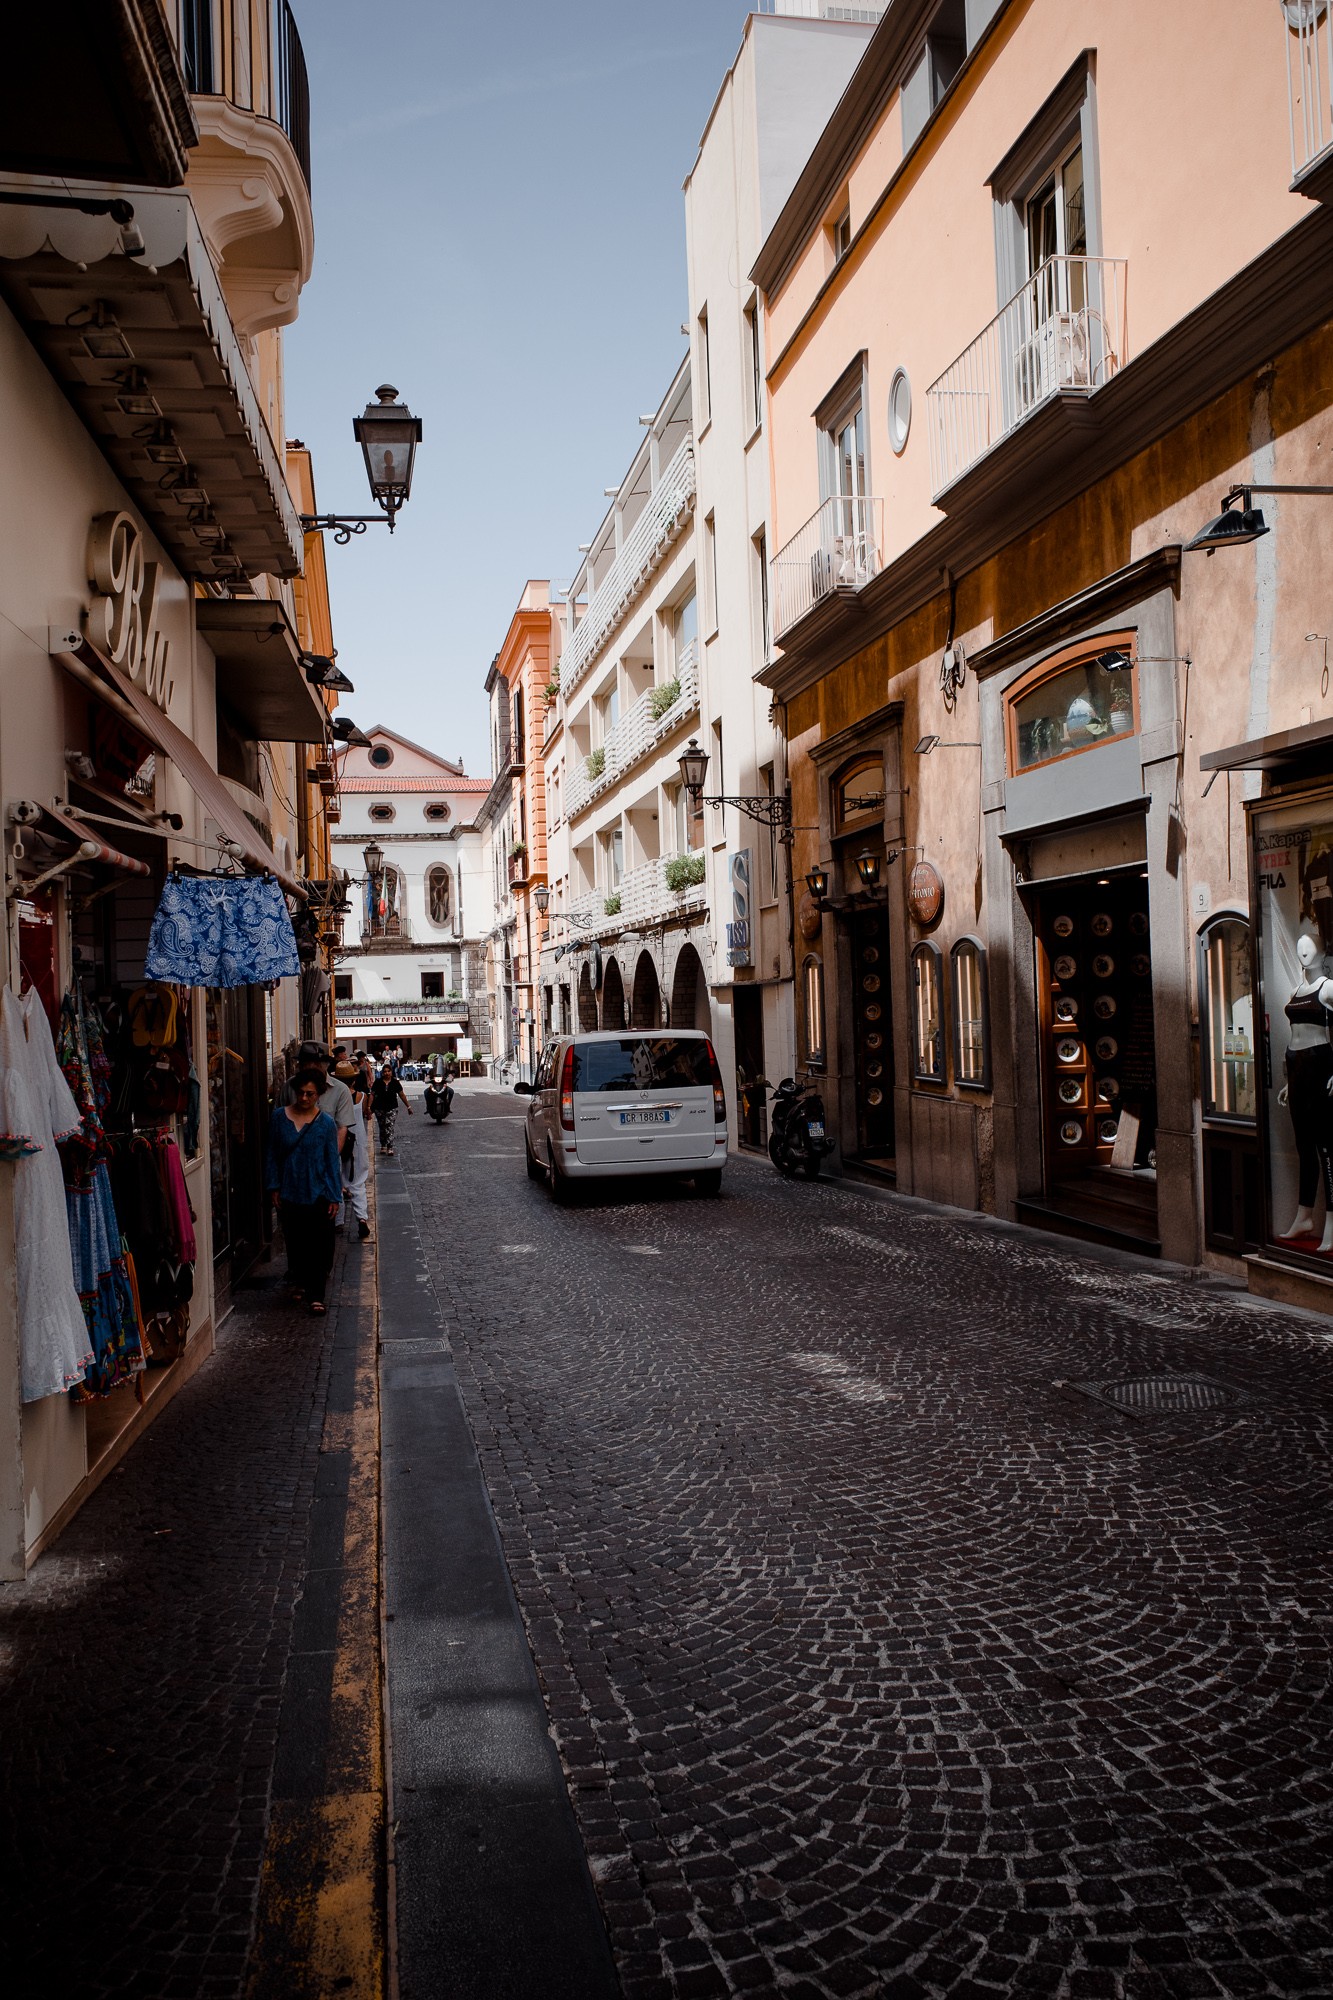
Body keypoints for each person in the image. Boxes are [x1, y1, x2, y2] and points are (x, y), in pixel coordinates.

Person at [266, 1067, 343, 1313]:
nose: (304, 1098)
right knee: (295, 1241)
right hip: (290, 1190)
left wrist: (334, 1195)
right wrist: (274, 1186)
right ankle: (299, 1281)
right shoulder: (279, 1117)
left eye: (310, 1094)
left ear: (319, 1094)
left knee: (320, 1244)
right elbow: (273, 1155)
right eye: (301, 1093)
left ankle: (316, 1295)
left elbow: (332, 1161)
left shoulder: (326, 1123)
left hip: (318, 1191)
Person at [343, 1056, 373, 1240]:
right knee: (359, 1180)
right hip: (358, 1139)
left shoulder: (334, 1097)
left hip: (340, 1139)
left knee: (339, 1178)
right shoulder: (361, 1096)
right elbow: (364, 1114)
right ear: (353, 1079)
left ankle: (338, 1222)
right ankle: (361, 1218)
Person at [372, 1059, 412, 1153]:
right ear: (382, 1073)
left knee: (389, 1126)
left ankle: (390, 1147)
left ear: (391, 1072)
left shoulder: (395, 1082)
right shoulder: (378, 1082)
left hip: (392, 1107)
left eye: (388, 1071)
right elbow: (372, 1095)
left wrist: (408, 1106)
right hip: (380, 1108)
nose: (387, 1073)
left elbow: (402, 1095)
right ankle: (383, 1145)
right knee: (382, 1127)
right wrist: (369, 1107)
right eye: (385, 1071)